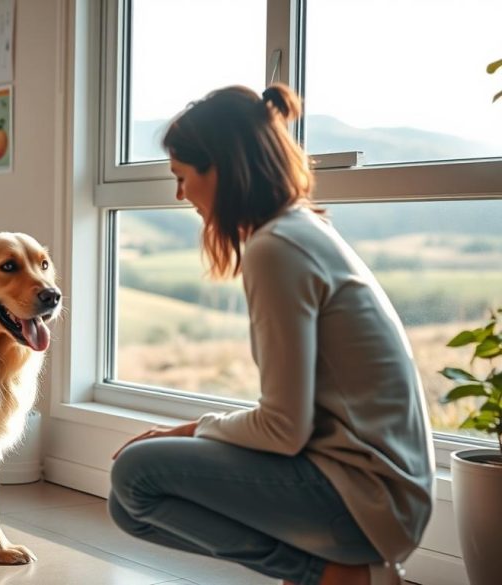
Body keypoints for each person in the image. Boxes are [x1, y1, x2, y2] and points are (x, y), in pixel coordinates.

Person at [108, 84, 434, 585]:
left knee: (136, 476)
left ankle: (336, 574)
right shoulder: (300, 228)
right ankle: (327, 570)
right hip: (386, 489)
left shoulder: (276, 248)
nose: (181, 195)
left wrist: (195, 428)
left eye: (182, 176)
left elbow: (283, 429)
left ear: (218, 166)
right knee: (128, 504)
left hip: (370, 497)